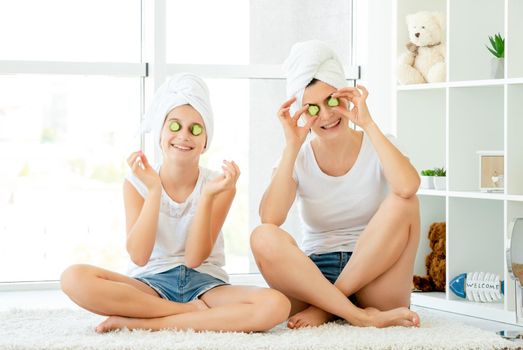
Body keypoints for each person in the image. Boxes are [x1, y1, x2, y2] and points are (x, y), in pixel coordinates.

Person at [61, 73, 290, 333]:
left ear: (205, 142)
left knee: (276, 305)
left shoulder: (219, 184)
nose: (183, 136)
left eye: (195, 129)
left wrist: (207, 197)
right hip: (149, 285)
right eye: (174, 126)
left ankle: (148, 323)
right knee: (74, 278)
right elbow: (139, 255)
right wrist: (154, 191)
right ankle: (185, 314)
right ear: (160, 133)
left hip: (206, 285)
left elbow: (194, 258)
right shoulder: (137, 182)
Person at [250, 40, 421, 329]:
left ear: (347, 96)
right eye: (312, 108)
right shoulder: (298, 156)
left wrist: (368, 123)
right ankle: (357, 315)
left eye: (331, 100)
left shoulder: (378, 143)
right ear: (301, 113)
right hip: (316, 276)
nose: (326, 115)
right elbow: (271, 218)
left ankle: (328, 309)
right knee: (262, 235)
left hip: (375, 275)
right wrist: (292, 146)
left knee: (405, 202)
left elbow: (408, 187)